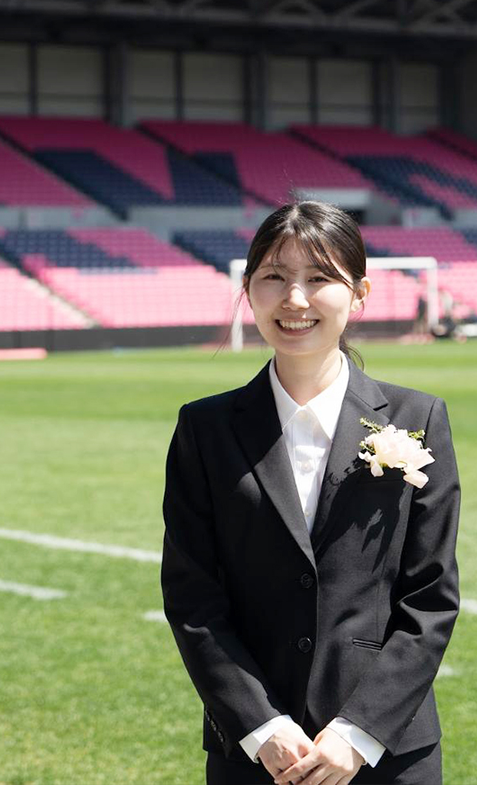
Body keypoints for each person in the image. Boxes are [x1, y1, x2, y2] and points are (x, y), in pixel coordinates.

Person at [161, 200, 461, 785]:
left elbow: (431, 598)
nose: (295, 299)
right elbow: (192, 597)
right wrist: (260, 726)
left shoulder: (418, 419)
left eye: (320, 278)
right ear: (249, 290)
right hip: (254, 756)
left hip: (388, 755)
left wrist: (359, 733)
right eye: (274, 277)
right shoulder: (205, 429)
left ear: (360, 293)